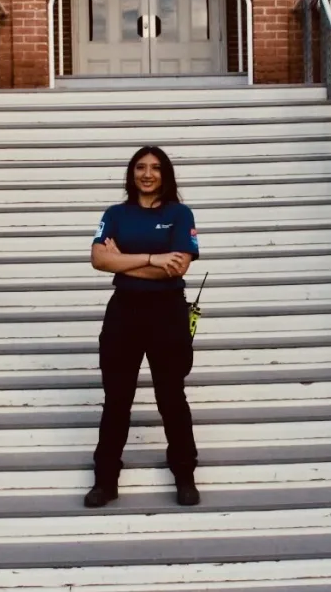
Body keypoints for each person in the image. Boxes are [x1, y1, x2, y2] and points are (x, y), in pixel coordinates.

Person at [85, 145, 200, 508]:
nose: (147, 174)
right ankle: (105, 480)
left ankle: (185, 475)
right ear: (131, 174)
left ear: (165, 174)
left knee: (171, 398)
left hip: (167, 313)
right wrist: (152, 258)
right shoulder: (115, 214)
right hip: (124, 312)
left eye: (155, 168)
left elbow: (178, 267)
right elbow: (98, 259)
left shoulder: (180, 214)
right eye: (140, 167)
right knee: (116, 400)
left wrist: (122, 261)